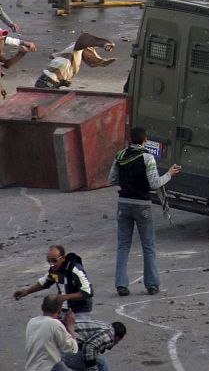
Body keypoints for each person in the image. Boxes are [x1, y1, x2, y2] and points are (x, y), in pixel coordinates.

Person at [108, 126, 181, 296]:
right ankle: (152, 284)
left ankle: (121, 285)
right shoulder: (147, 158)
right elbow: (155, 183)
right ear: (145, 140)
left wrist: (127, 183)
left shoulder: (120, 156)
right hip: (142, 205)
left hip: (123, 204)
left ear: (131, 139)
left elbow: (111, 179)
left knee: (123, 246)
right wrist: (170, 173)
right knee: (148, 245)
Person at [14, 245, 94, 316]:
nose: (51, 264)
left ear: (63, 258)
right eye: (49, 261)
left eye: (54, 260)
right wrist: (27, 292)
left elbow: (88, 292)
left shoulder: (75, 270)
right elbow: (44, 283)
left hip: (80, 311)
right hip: (62, 310)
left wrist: (64, 297)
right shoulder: (54, 270)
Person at [35, 33, 115, 90]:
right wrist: (105, 43)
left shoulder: (70, 56)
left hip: (45, 81)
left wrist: (64, 81)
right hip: (48, 83)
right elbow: (84, 38)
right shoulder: (76, 49)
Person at [25, 295, 79, 371]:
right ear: (59, 310)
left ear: (42, 307)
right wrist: (71, 326)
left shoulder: (31, 322)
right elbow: (73, 349)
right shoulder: (54, 324)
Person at [62, 319, 126, 371]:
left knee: (92, 359)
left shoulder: (104, 325)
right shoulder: (109, 335)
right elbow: (89, 347)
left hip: (59, 345)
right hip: (61, 352)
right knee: (101, 362)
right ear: (118, 338)